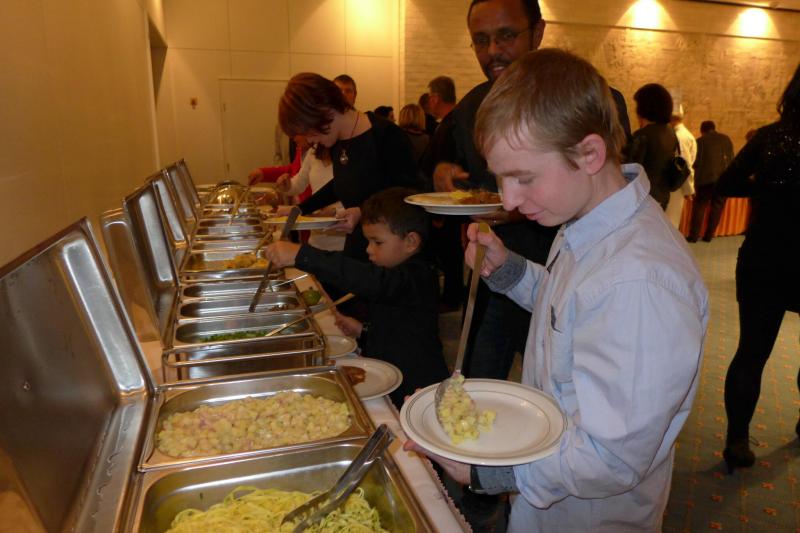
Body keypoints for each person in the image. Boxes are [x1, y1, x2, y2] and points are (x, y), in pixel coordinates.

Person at [407, 48, 709, 532]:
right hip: (549, 485)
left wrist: (487, 472)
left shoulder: (640, 283)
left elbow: (610, 458)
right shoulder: (587, 220)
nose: (508, 200)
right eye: (501, 177)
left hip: (587, 514)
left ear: (589, 154)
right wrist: (510, 272)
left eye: (522, 178)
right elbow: (574, 311)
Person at [264, 187, 449, 408]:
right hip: (391, 370)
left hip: (419, 384)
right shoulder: (395, 269)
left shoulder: (418, 276)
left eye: (377, 242)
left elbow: (372, 281)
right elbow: (400, 326)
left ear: (410, 242)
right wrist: (364, 330)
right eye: (368, 241)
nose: (369, 250)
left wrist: (301, 255)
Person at [717, 62, 800, 473]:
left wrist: (765, 187)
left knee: (751, 352)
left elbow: (727, 183)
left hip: (765, 257)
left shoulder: (770, 137)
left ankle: (737, 439)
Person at [275, 143, 345, 251]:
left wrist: (336, 211)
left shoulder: (347, 153)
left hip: (343, 243)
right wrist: (288, 186)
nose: (310, 140)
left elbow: (362, 199)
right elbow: (299, 183)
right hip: (316, 241)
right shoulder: (313, 150)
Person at [624, 83, 680, 210]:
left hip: (643, 200)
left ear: (645, 107)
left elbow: (629, 170)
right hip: (662, 198)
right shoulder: (671, 133)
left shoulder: (643, 135)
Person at [687, 120, 733, 243]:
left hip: (705, 180)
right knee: (717, 208)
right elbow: (731, 158)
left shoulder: (700, 142)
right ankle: (709, 236)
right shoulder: (726, 139)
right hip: (723, 179)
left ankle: (693, 236)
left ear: (702, 130)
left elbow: (695, 162)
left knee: (700, 207)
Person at [665, 106, 697, 228]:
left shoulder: (680, 136)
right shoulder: (682, 134)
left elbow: (684, 165)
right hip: (677, 183)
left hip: (676, 184)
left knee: (671, 220)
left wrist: (689, 189)